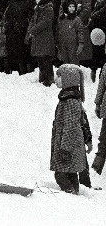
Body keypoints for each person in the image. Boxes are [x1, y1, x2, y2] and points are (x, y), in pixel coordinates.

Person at [51, 64, 94, 194]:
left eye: (59, 76)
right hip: (68, 145)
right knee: (70, 173)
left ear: (68, 79)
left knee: (61, 174)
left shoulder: (70, 101)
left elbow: (71, 127)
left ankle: (71, 195)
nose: (55, 79)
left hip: (68, 147)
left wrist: (65, 148)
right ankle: (74, 195)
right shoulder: (69, 98)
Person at [27, 0, 55, 86]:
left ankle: (49, 79)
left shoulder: (48, 9)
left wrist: (33, 30)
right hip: (38, 38)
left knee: (45, 58)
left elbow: (45, 22)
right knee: (40, 59)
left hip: (45, 37)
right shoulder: (38, 8)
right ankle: (43, 77)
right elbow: (33, 20)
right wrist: (30, 30)